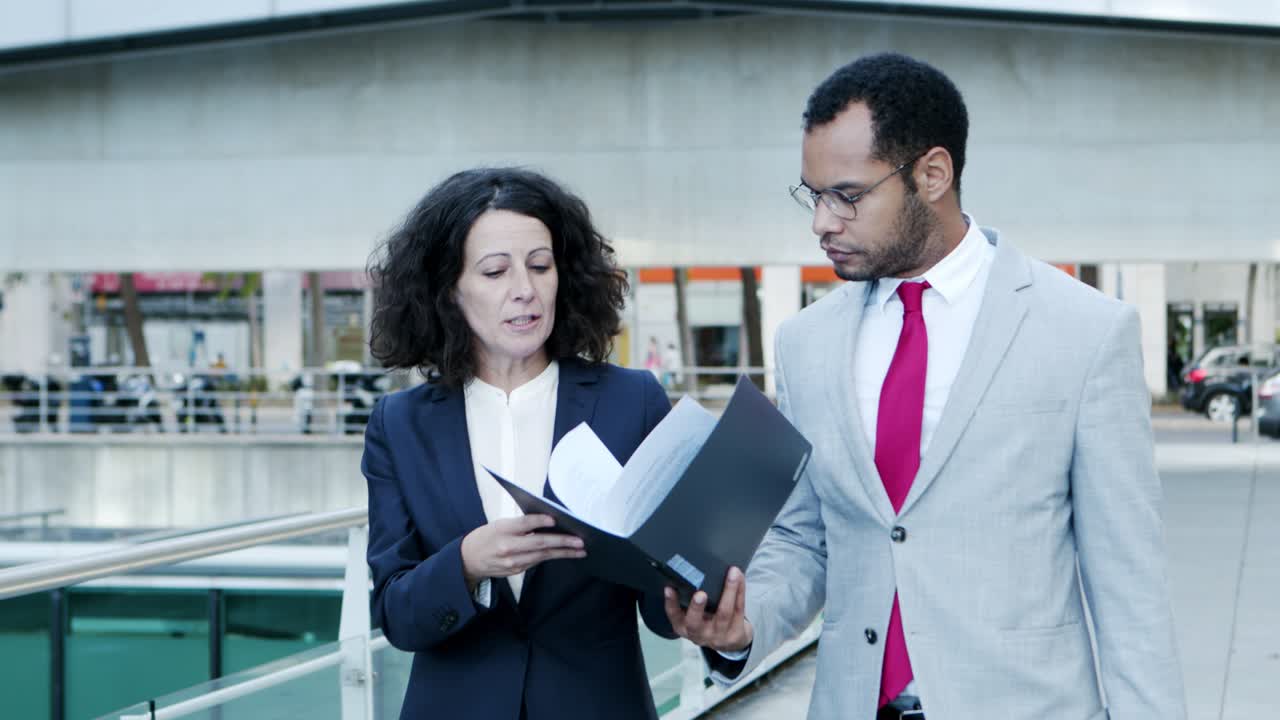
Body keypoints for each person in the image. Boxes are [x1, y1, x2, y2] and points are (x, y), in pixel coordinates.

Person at [665, 53, 1186, 719]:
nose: (821, 222)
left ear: (932, 175)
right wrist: (742, 628)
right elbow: (805, 541)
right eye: (813, 194)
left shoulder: (1086, 332)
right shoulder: (805, 344)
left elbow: (1129, 585)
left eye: (847, 196)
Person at [362, 167, 676, 720]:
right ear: (448, 289)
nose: (524, 290)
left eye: (540, 265)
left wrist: (707, 598)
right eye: (494, 271)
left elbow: (663, 605)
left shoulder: (635, 402)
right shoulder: (400, 424)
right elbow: (395, 612)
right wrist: (464, 565)